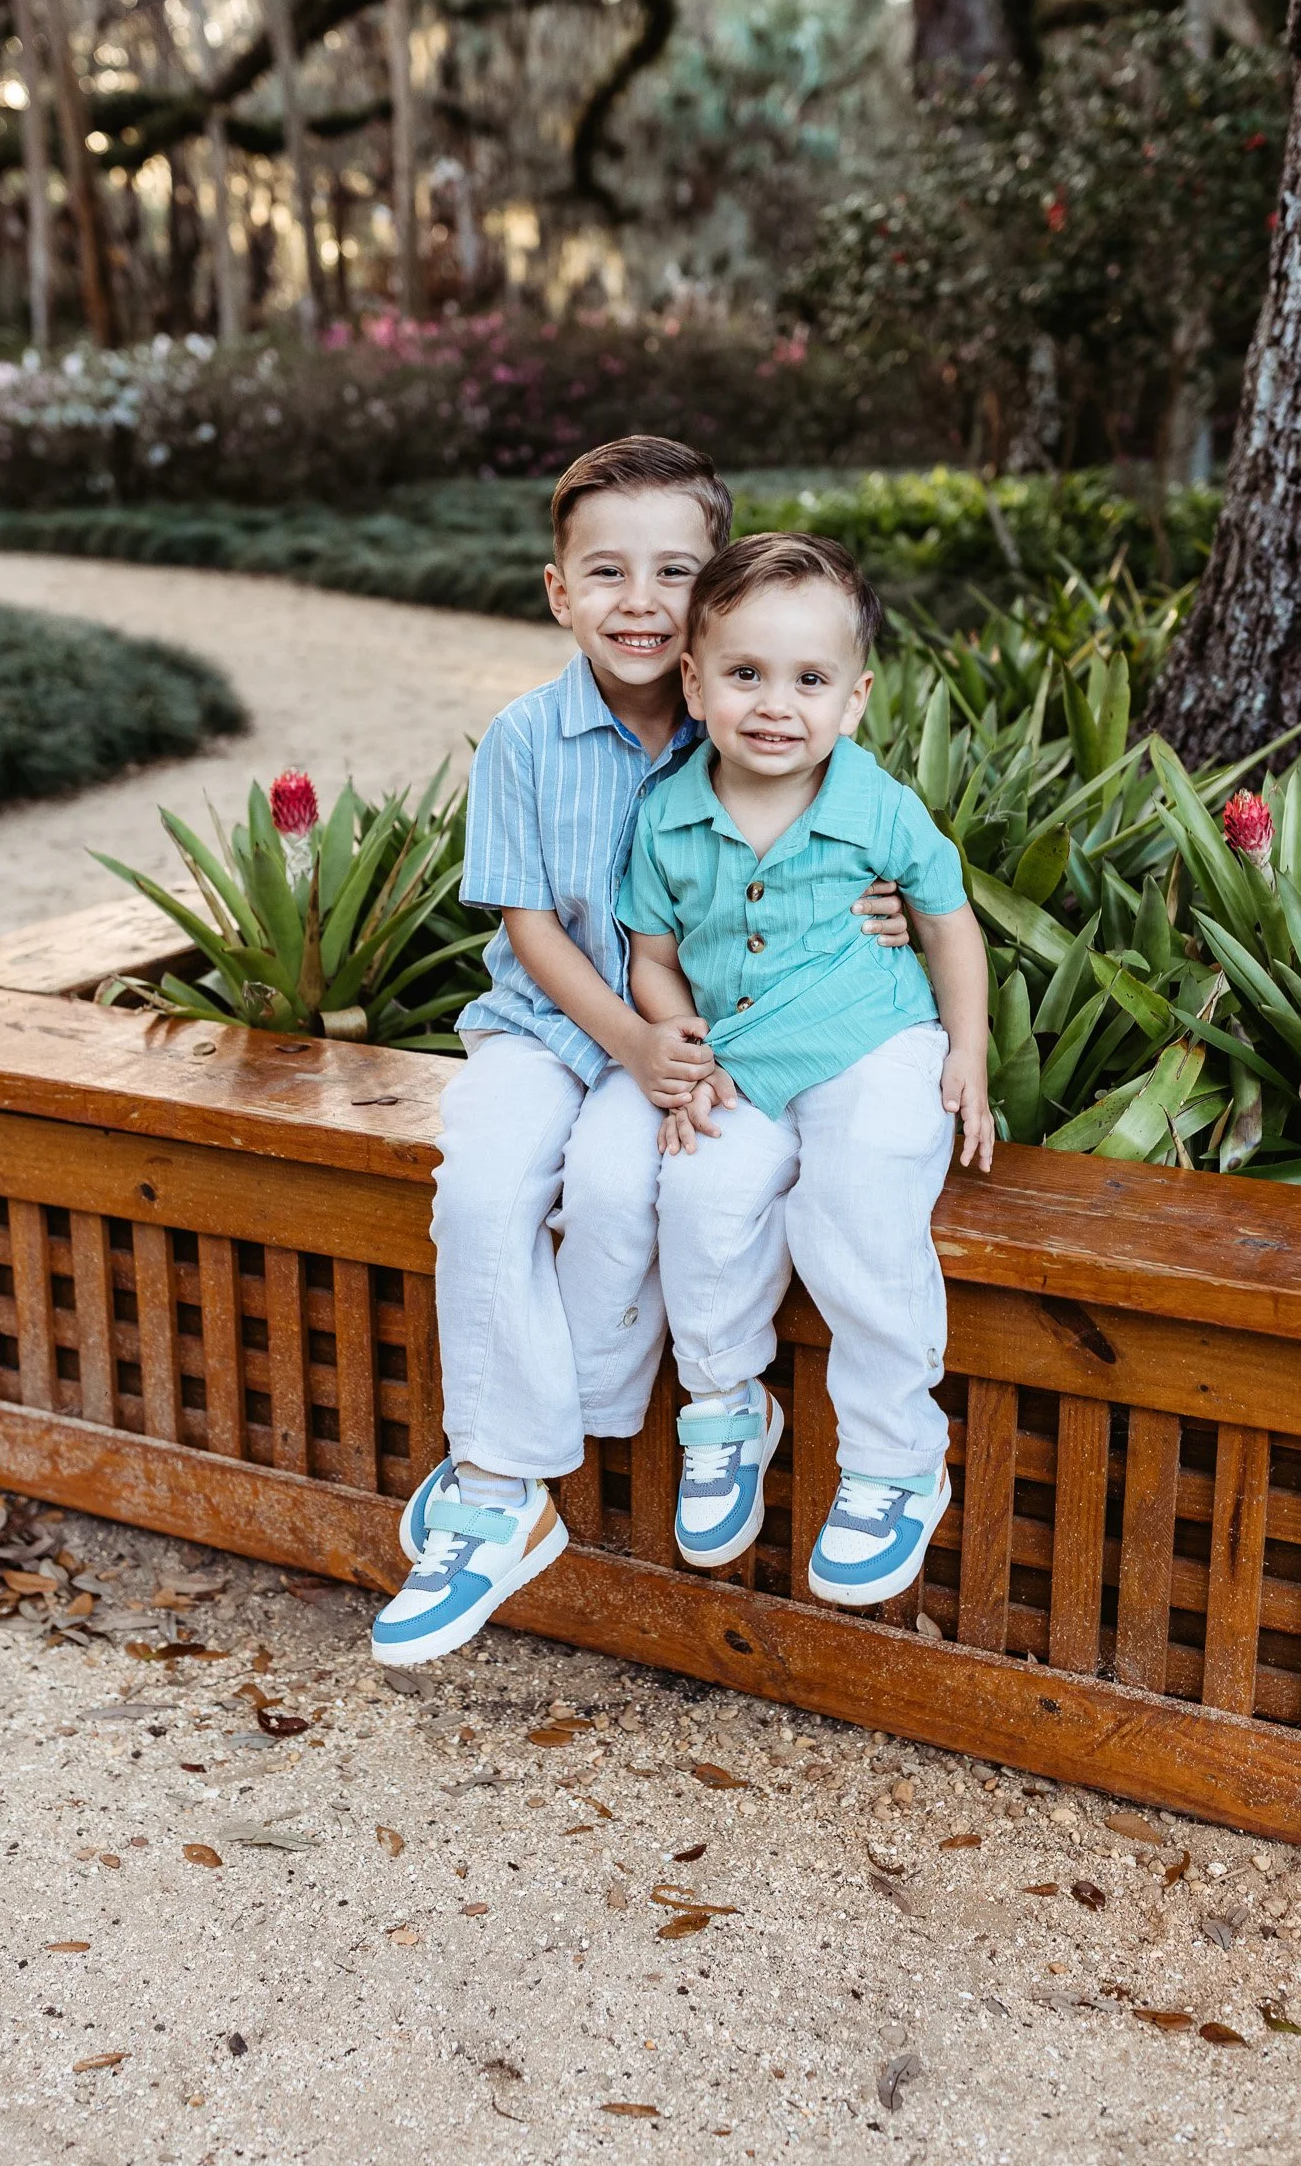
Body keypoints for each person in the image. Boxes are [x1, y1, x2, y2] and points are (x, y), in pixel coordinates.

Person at [372, 446, 912, 1665]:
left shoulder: (745, 712)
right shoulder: (523, 738)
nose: (637, 598)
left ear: (711, 587)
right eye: (604, 570)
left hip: (694, 1040)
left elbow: (851, 851)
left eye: (673, 570)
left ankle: (576, 1426)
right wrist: (623, 1034)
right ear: (557, 591)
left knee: (621, 1186)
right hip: (549, 1023)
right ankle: (503, 1482)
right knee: (484, 1187)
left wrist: (876, 906)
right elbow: (524, 923)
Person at [619, 530, 995, 1608]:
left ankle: (893, 1452)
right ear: (692, 683)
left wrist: (964, 1050)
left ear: (855, 697)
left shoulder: (874, 804)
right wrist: (679, 1044)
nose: (774, 704)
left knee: (851, 1214)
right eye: (743, 674)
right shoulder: (668, 815)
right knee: (695, 1193)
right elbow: (650, 958)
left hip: (871, 1047)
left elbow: (947, 921)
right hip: (738, 1068)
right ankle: (727, 1402)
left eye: (808, 680)